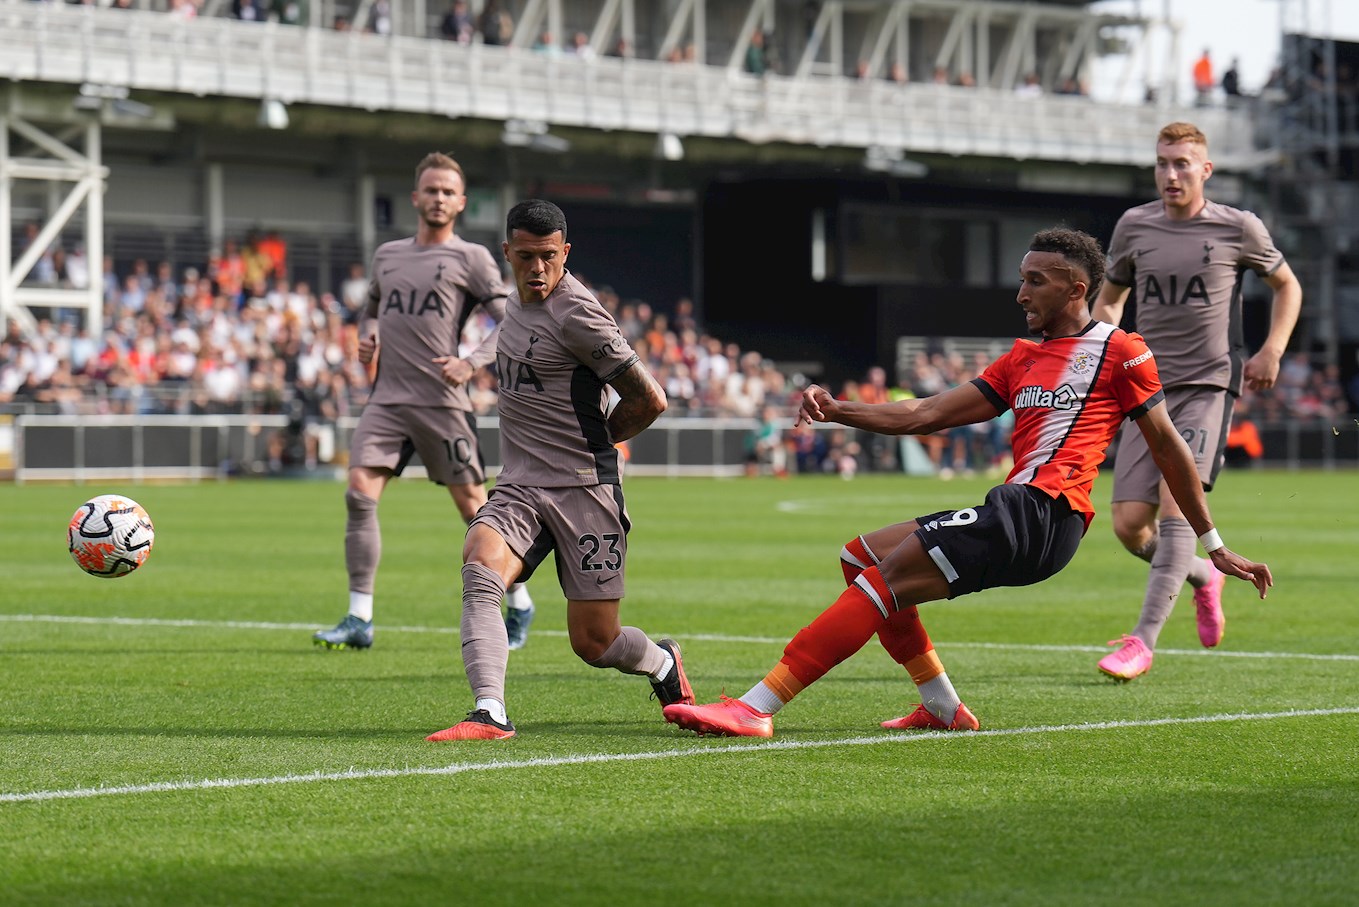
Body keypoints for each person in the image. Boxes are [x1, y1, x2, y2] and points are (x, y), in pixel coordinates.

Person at [661, 228, 1272, 739]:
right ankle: (942, 707)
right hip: (1016, 506)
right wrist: (839, 409)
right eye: (1023, 277)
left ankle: (754, 708)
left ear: (1077, 288)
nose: (1021, 292)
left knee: (883, 581)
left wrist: (1214, 545)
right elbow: (925, 414)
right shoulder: (1020, 360)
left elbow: (1167, 447)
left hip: (1045, 514)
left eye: (1037, 280)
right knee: (861, 557)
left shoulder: (1121, 351)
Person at [426, 199, 693, 741]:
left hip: (584, 489)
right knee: (480, 562)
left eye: (549, 256)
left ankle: (662, 662)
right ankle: (489, 711)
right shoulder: (513, 304)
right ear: (508, 254)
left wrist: (594, 443)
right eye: (526, 257)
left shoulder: (579, 314)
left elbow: (651, 398)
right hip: (520, 486)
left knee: (595, 643)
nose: (538, 268)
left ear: (565, 252)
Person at [1092, 122, 1301, 681]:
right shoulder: (1134, 226)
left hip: (1209, 384)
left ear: (1205, 170)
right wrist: (1096, 340)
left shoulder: (1238, 228)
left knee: (1176, 504)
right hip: (1144, 389)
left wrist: (1272, 350)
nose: (1171, 174)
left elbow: (1289, 285)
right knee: (1129, 527)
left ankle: (1142, 640)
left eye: (1183, 163)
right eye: (1163, 163)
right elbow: (1110, 301)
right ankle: (1205, 580)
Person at [312, 153, 535, 652]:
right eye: (429, 190)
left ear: (460, 202)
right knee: (357, 495)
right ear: (415, 198)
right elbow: (370, 308)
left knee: (475, 509)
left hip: (442, 401)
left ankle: (519, 601)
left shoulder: (472, 258)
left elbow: (513, 320)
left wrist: (471, 362)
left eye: (447, 192)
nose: (437, 198)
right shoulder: (388, 255)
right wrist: (366, 337)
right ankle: (358, 618)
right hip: (386, 398)